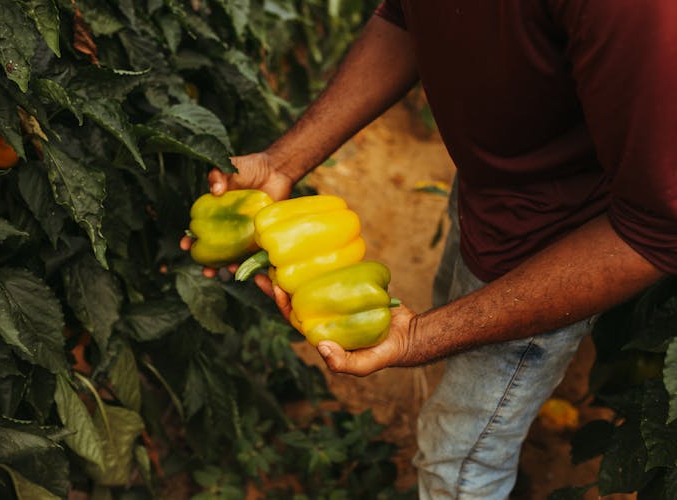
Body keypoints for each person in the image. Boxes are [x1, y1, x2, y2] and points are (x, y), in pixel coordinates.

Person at [182, 2, 677, 498]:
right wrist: (282, 164)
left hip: (554, 248)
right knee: (466, 408)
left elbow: (655, 228)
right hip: (492, 190)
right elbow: (407, 15)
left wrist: (424, 335)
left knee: (459, 461)